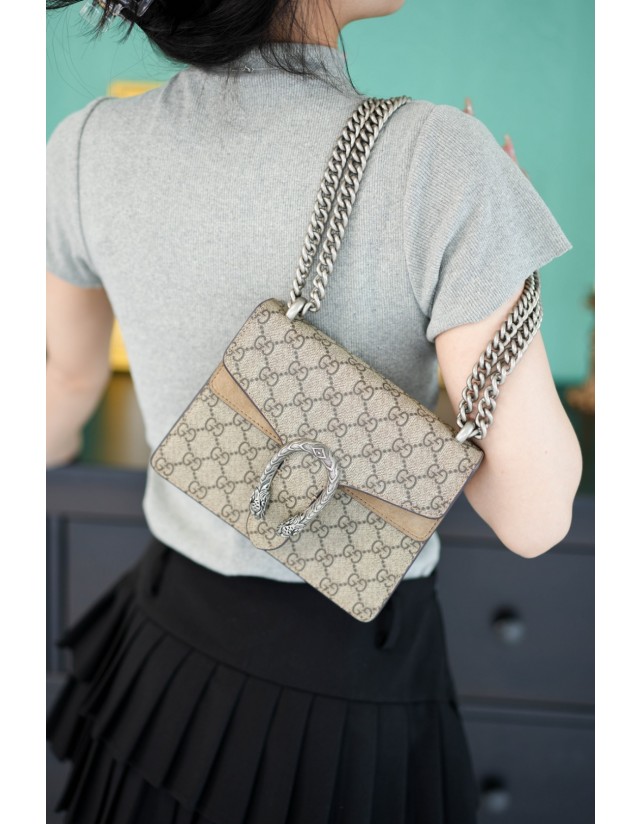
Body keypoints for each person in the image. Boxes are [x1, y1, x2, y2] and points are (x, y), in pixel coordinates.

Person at [45, 0, 583, 822]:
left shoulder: (86, 143)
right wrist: (500, 261)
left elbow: (65, 390)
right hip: (352, 687)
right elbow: (534, 518)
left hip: (162, 661)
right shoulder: (439, 158)